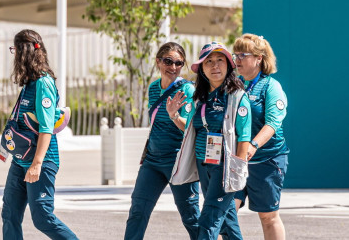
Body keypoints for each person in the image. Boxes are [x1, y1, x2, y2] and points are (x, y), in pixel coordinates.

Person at [168, 42, 251, 240]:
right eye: (209, 62)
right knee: (228, 227)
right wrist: (173, 115)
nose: (215, 66)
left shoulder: (237, 97)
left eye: (220, 60)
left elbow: (244, 136)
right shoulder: (199, 99)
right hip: (203, 164)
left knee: (208, 222)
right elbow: (189, 128)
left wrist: (237, 169)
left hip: (225, 167)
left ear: (229, 65)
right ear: (202, 69)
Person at [1, 29, 78, 240]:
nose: (14, 55)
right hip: (20, 159)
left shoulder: (43, 83)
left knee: (43, 217)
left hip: (40, 160)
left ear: (24, 52)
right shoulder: (30, 82)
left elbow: (46, 129)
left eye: (14, 49)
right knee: (9, 214)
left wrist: (37, 164)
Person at [124, 42, 200, 239]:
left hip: (178, 161)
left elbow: (190, 128)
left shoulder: (187, 90)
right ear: (158, 62)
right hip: (153, 161)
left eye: (178, 63)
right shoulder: (153, 88)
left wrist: (174, 115)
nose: (173, 67)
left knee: (191, 218)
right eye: (168, 61)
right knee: (138, 211)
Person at [222, 34, 290, 240]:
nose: (237, 59)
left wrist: (253, 145)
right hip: (238, 160)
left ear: (259, 58)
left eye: (243, 55)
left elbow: (272, 124)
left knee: (268, 217)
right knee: (225, 211)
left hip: (267, 160)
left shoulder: (271, 86)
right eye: (236, 55)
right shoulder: (234, 85)